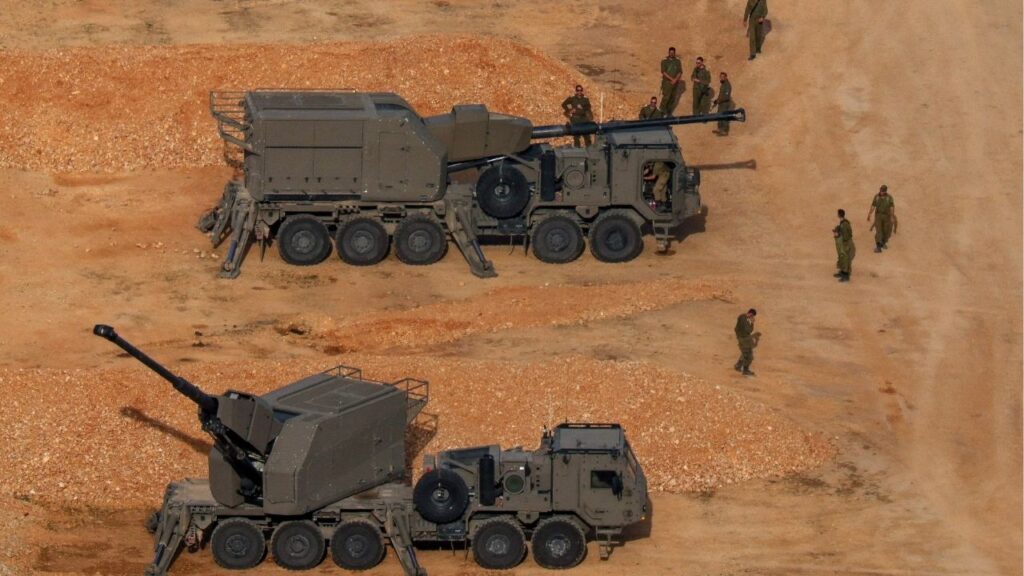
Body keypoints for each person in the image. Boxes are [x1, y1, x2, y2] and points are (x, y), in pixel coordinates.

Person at [867, 184, 896, 252]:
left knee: (885, 230)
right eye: (880, 190)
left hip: (886, 216)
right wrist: (869, 214)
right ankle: (878, 246)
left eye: (883, 191)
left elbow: (892, 207)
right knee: (879, 231)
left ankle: (883, 243)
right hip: (878, 216)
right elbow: (873, 206)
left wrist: (892, 216)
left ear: (885, 191)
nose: (881, 192)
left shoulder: (889, 198)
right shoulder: (876, 197)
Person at [734, 308, 760, 376]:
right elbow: (748, 330)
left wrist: (752, 323)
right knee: (749, 355)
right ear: (751, 314)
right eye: (752, 316)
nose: (752, 317)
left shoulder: (746, 320)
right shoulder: (743, 317)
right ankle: (745, 370)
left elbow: (750, 330)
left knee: (745, 354)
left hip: (745, 339)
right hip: (743, 339)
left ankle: (738, 366)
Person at [659, 47, 684, 117]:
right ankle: (661, 112)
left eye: (673, 53)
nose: (671, 54)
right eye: (670, 53)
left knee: (672, 98)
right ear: (668, 53)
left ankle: (668, 112)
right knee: (666, 97)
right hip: (667, 83)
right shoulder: (664, 61)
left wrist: (675, 80)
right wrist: (672, 79)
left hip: (675, 83)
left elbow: (680, 71)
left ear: (674, 53)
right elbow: (663, 72)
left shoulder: (677, 61)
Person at [833, 209, 855, 282]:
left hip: (846, 243)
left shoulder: (844, 224)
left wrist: (839, 235)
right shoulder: (843, 223)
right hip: (846, 242)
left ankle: (846, 275)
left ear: (839, 215)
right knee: (842, 257)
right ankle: (842, 272)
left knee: (845, 258)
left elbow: (846, 236)